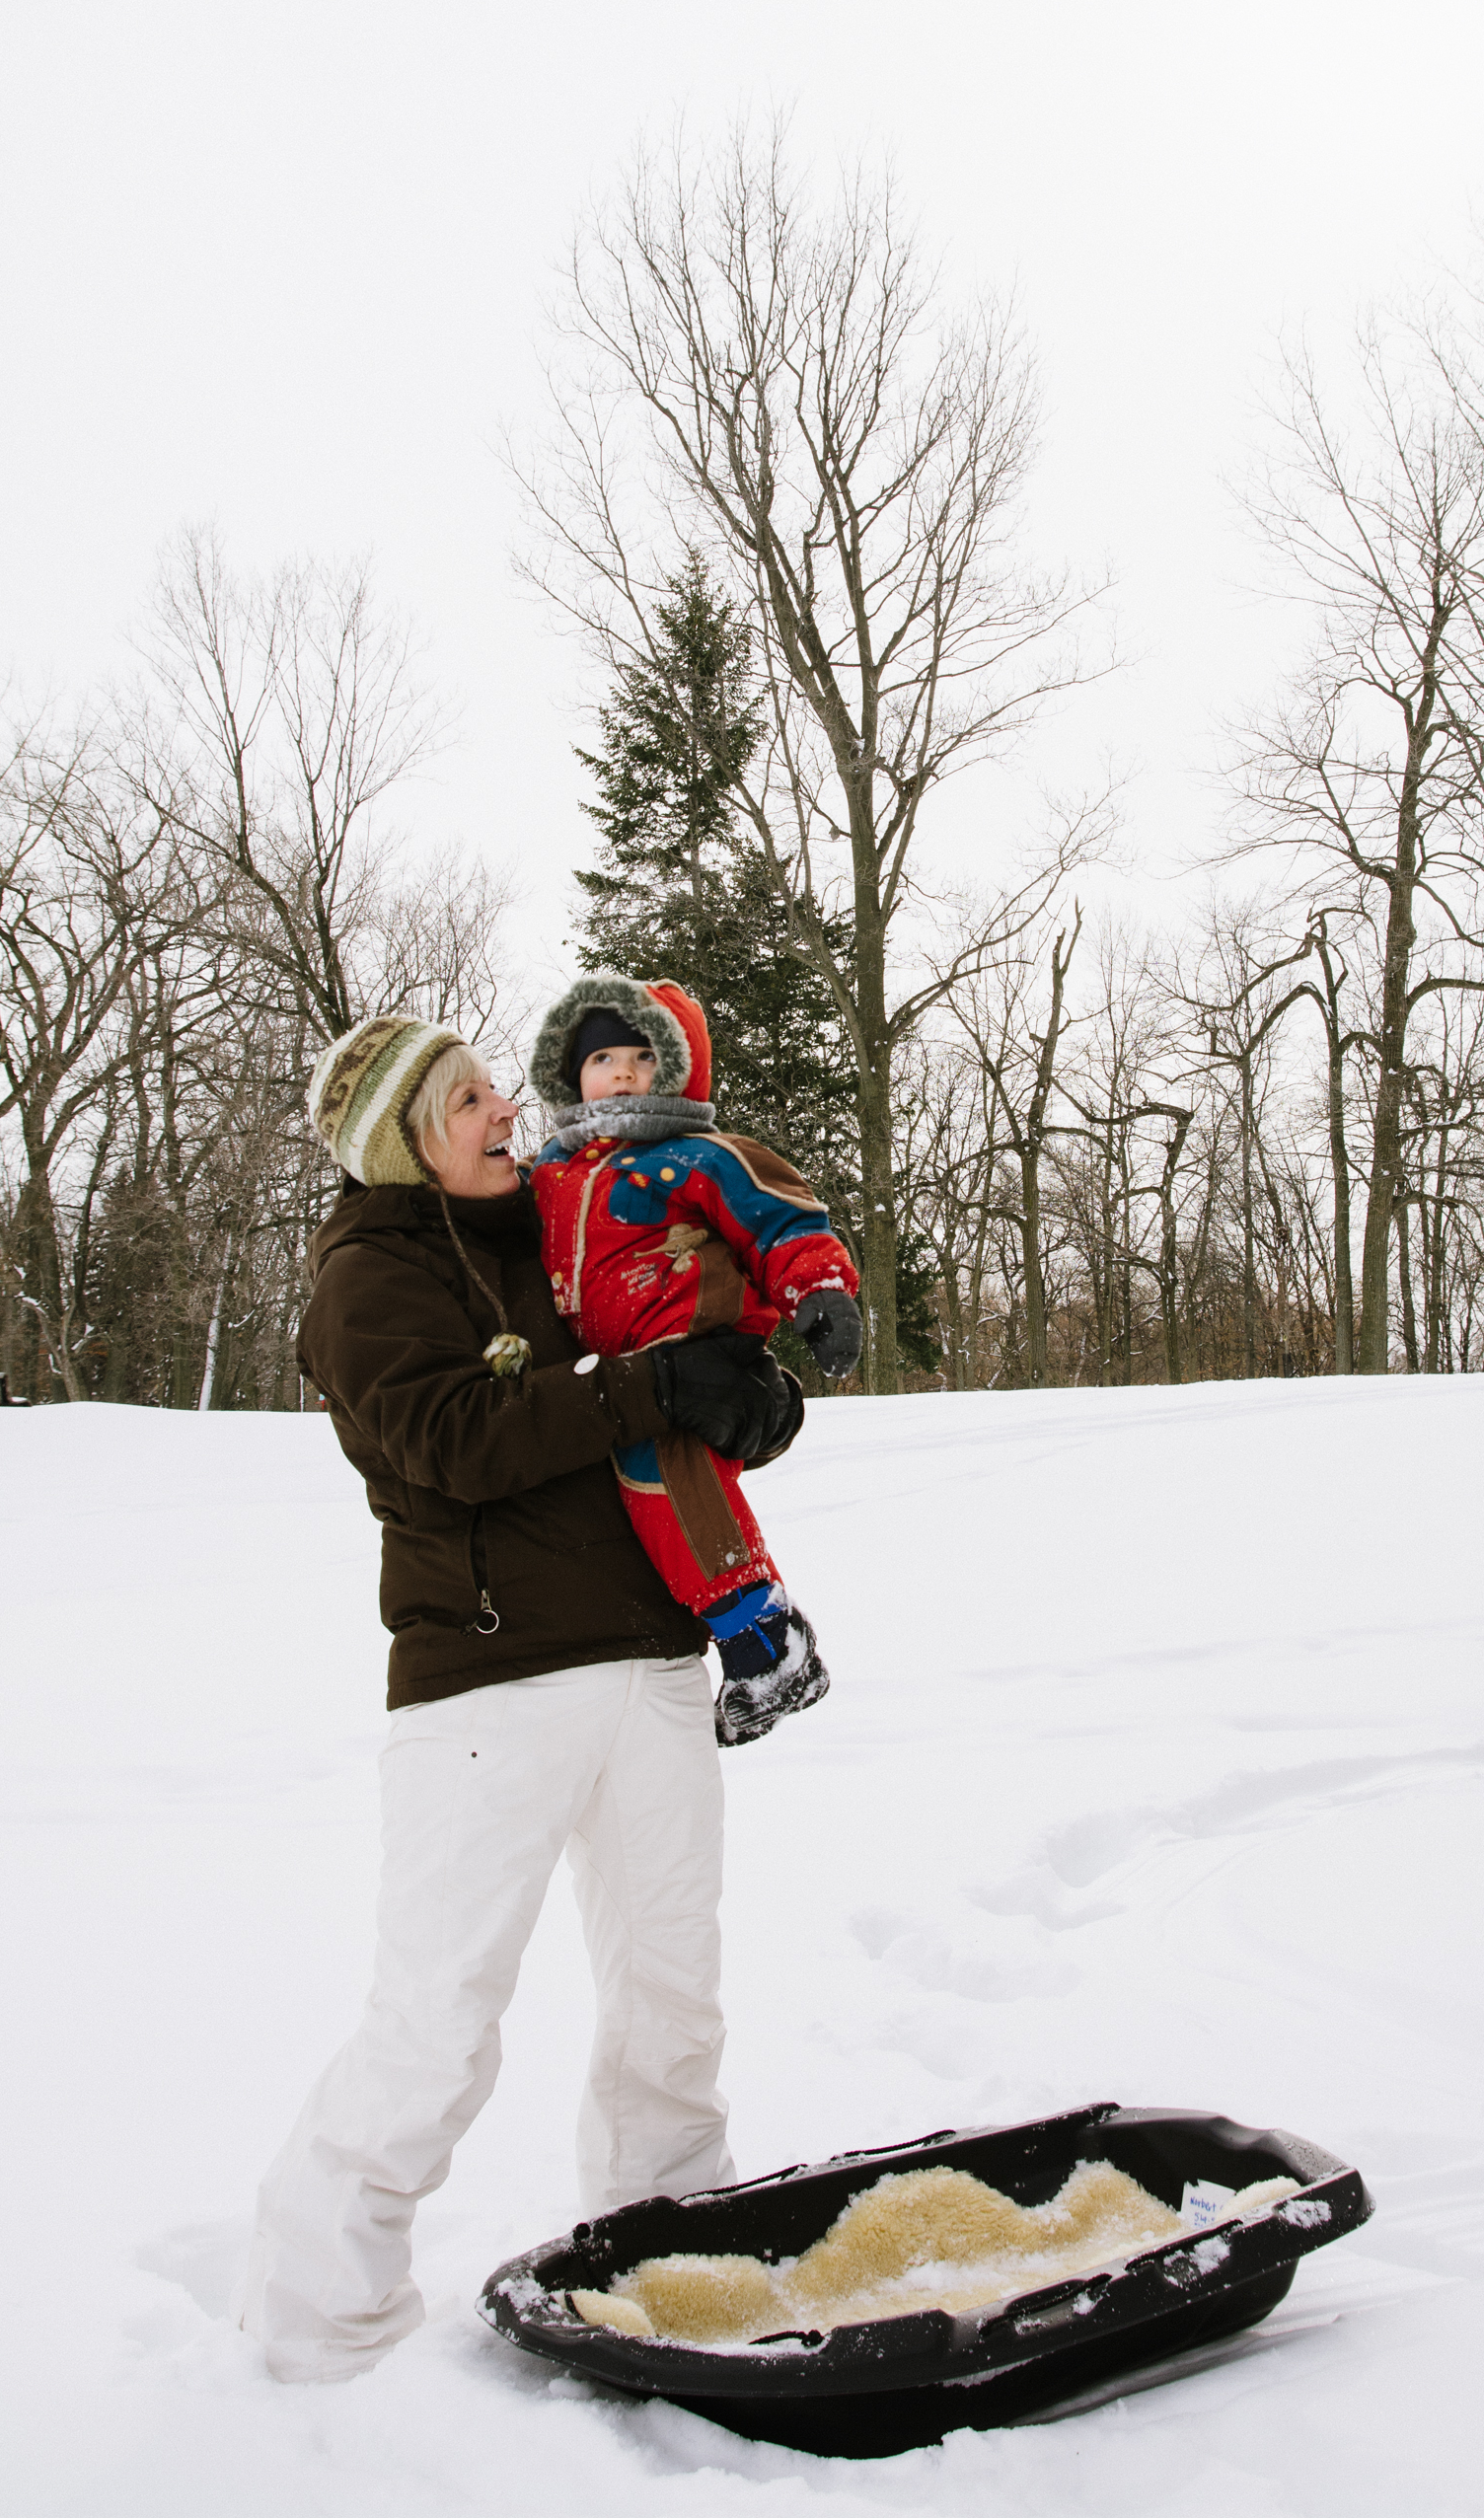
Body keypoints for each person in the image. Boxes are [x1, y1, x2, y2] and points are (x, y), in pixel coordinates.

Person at [237, 1012, 801, 2385]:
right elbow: (453, 1442)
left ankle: (668, 2243)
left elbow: (661, 1365)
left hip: (649, 1665)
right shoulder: (367, 1274)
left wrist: (738, 1393)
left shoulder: (560, 1227)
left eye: (497, 1089)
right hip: (486, 1693)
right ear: (406, 1144)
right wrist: (640, 1385)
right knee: (440, 2019)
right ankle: (321, 2329)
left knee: (674, 1991)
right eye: (470, 1100)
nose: (506, 1109)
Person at [527, 973, 862, 1745]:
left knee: (664, 1478)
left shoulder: (697, 1156)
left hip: (690, 1353)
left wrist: (819, 1293)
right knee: (628, 1497)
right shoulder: (550, 1170)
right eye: (600, 1056)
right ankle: (749, 1635)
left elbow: (783, 1218)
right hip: (605, 1376)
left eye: (641, 1056)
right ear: (569, 1071)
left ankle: (767, 1641)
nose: (618, 1072)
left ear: (674, 1069)